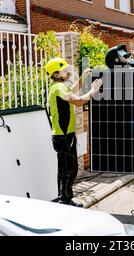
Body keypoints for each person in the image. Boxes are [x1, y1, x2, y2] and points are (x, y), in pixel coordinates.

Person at [45, 58, 102, 208]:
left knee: (68, 168)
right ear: (56, 74)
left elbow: (74, 90)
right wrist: (93, 91)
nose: (67, 72)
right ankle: (64, 200)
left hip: (64, 134)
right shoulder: (58, 87)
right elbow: (78, 101)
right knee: (67, 169)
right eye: (64, 70)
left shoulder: (59, 86)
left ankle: (65, 198)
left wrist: (83, 77)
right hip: (63, 135)